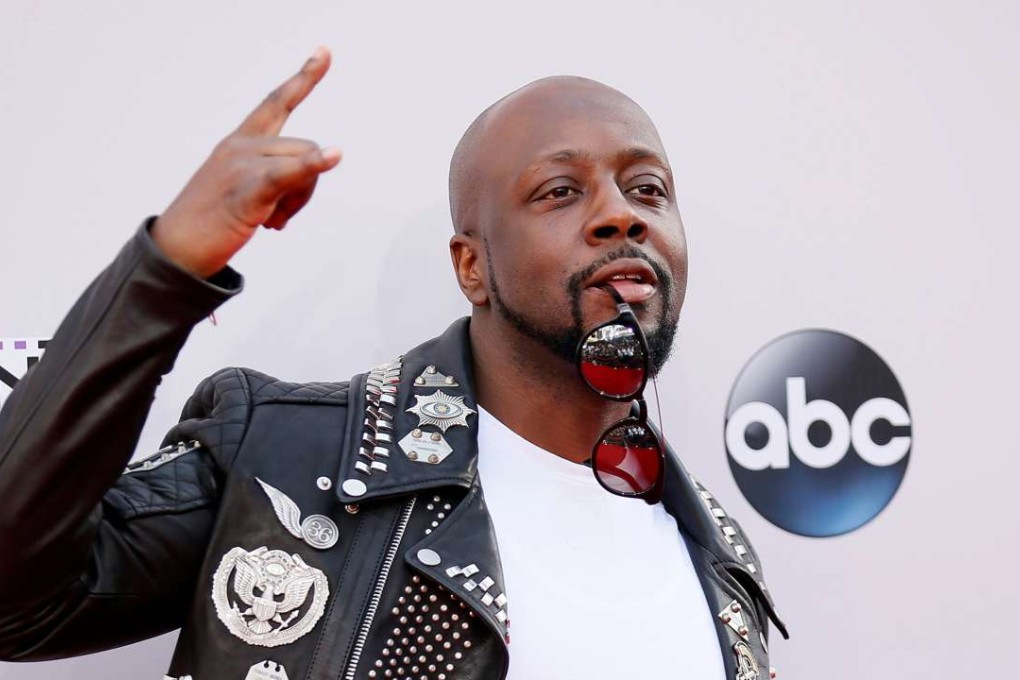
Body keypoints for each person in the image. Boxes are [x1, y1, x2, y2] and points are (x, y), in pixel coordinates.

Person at [0, 47, 787, 679]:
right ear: (471, 266)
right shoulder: (285, 458)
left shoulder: (718, 556)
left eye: (647, 188)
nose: (622, 213)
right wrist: (163, 273)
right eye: (559, 191)